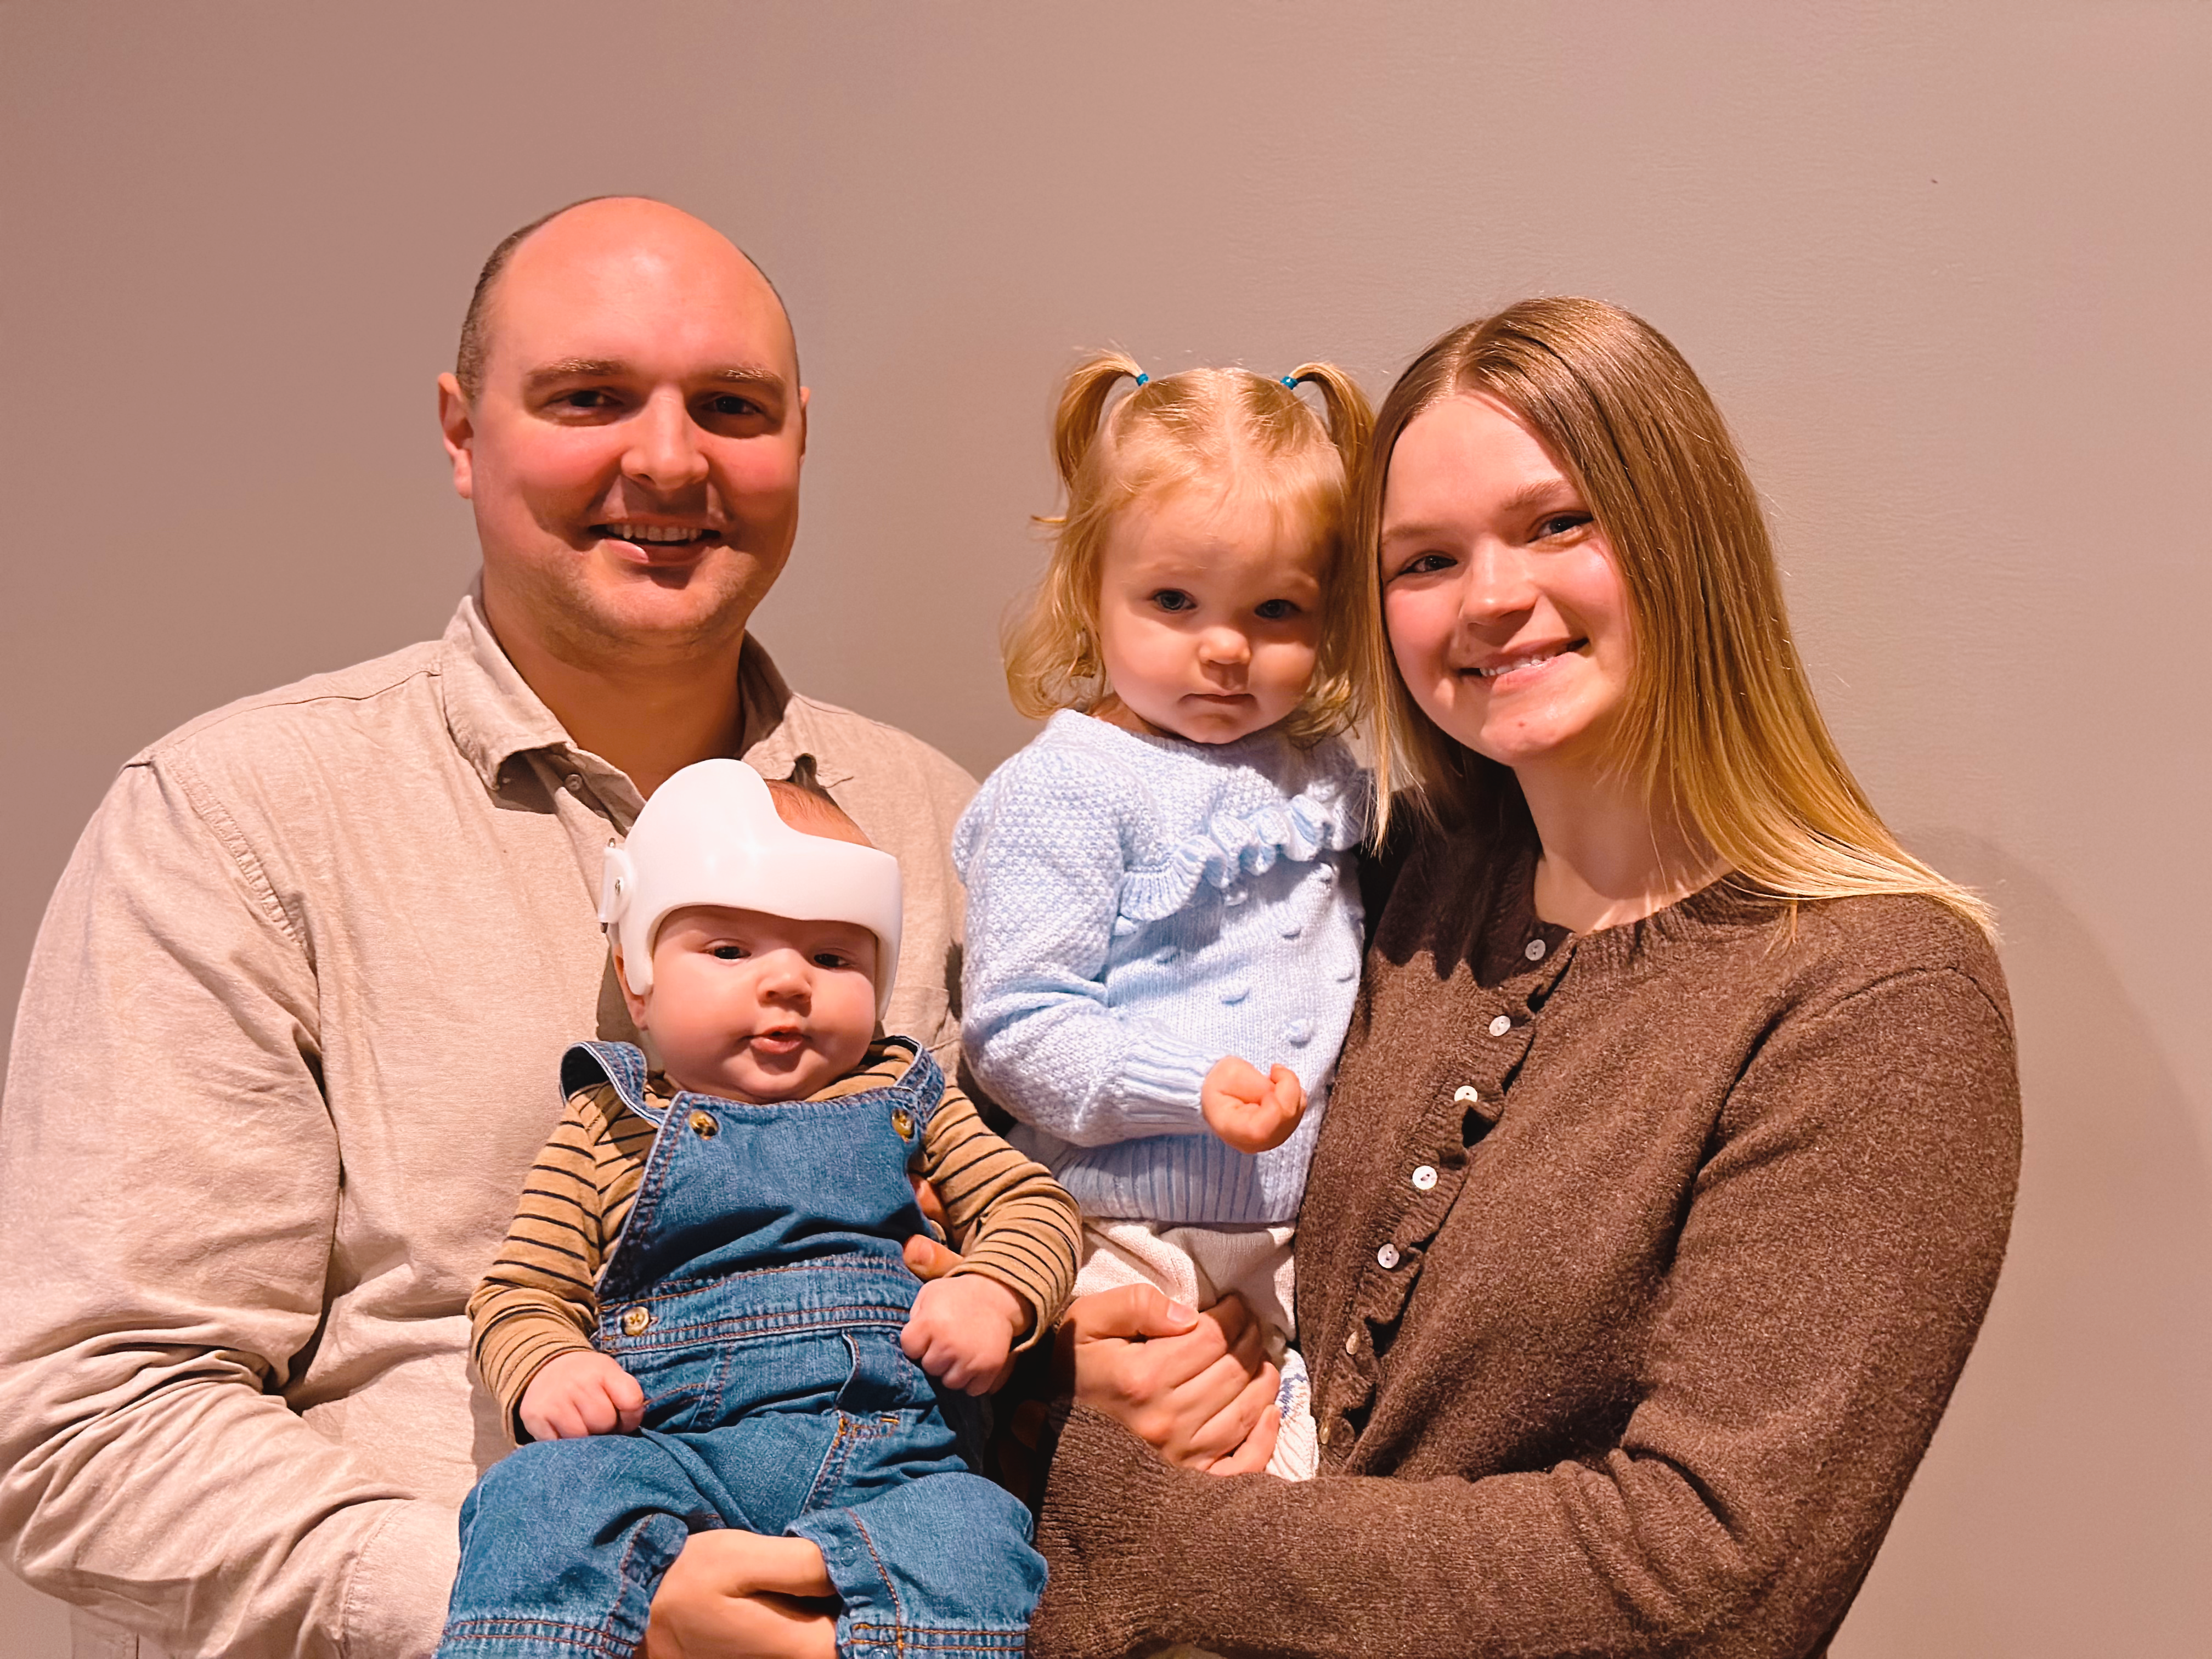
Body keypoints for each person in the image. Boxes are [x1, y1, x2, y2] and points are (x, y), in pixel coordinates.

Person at [0, 198, 979, 1658]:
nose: (668, 458)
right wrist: (576, 1607)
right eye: (588, 398)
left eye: (731, 407)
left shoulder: (942, 820)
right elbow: (90, 1429)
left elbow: (1029, 1246)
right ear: (462, 431)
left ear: (799, 439)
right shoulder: (237, 819)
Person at [1017, 298, 2023, 1658]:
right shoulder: (1389, 876)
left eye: (1558, 523)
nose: (1490, 598)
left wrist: (1096, 1501)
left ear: (1686, 536)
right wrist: (1060, 1345)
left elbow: (1707, 1577)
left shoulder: (1877, 1000)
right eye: (1424, 560)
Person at [441, 760, 1076, 1659]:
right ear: (639, 980)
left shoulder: (909, 1093)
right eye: (731, 951)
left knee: (976, 1541)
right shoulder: (606, 1122)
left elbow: (1031, 1205)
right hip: (665, 1447)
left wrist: (994, 1294)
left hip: (899, 1458)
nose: (788, 983)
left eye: (832, 956)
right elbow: (519, 1292)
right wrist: (546, 1370)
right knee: (539, 1499)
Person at [953, 353, 1374, 1482]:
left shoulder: (1328, 773)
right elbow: (1017, 1029)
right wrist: (1188, 1084)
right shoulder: (1067, 787)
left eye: (1276, 609)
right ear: (1094, 588)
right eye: (1175, 602)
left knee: (1297, 1509)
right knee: (1128, 1516)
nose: (1227, 646)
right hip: (1117, 1235)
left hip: (1299, 1244)